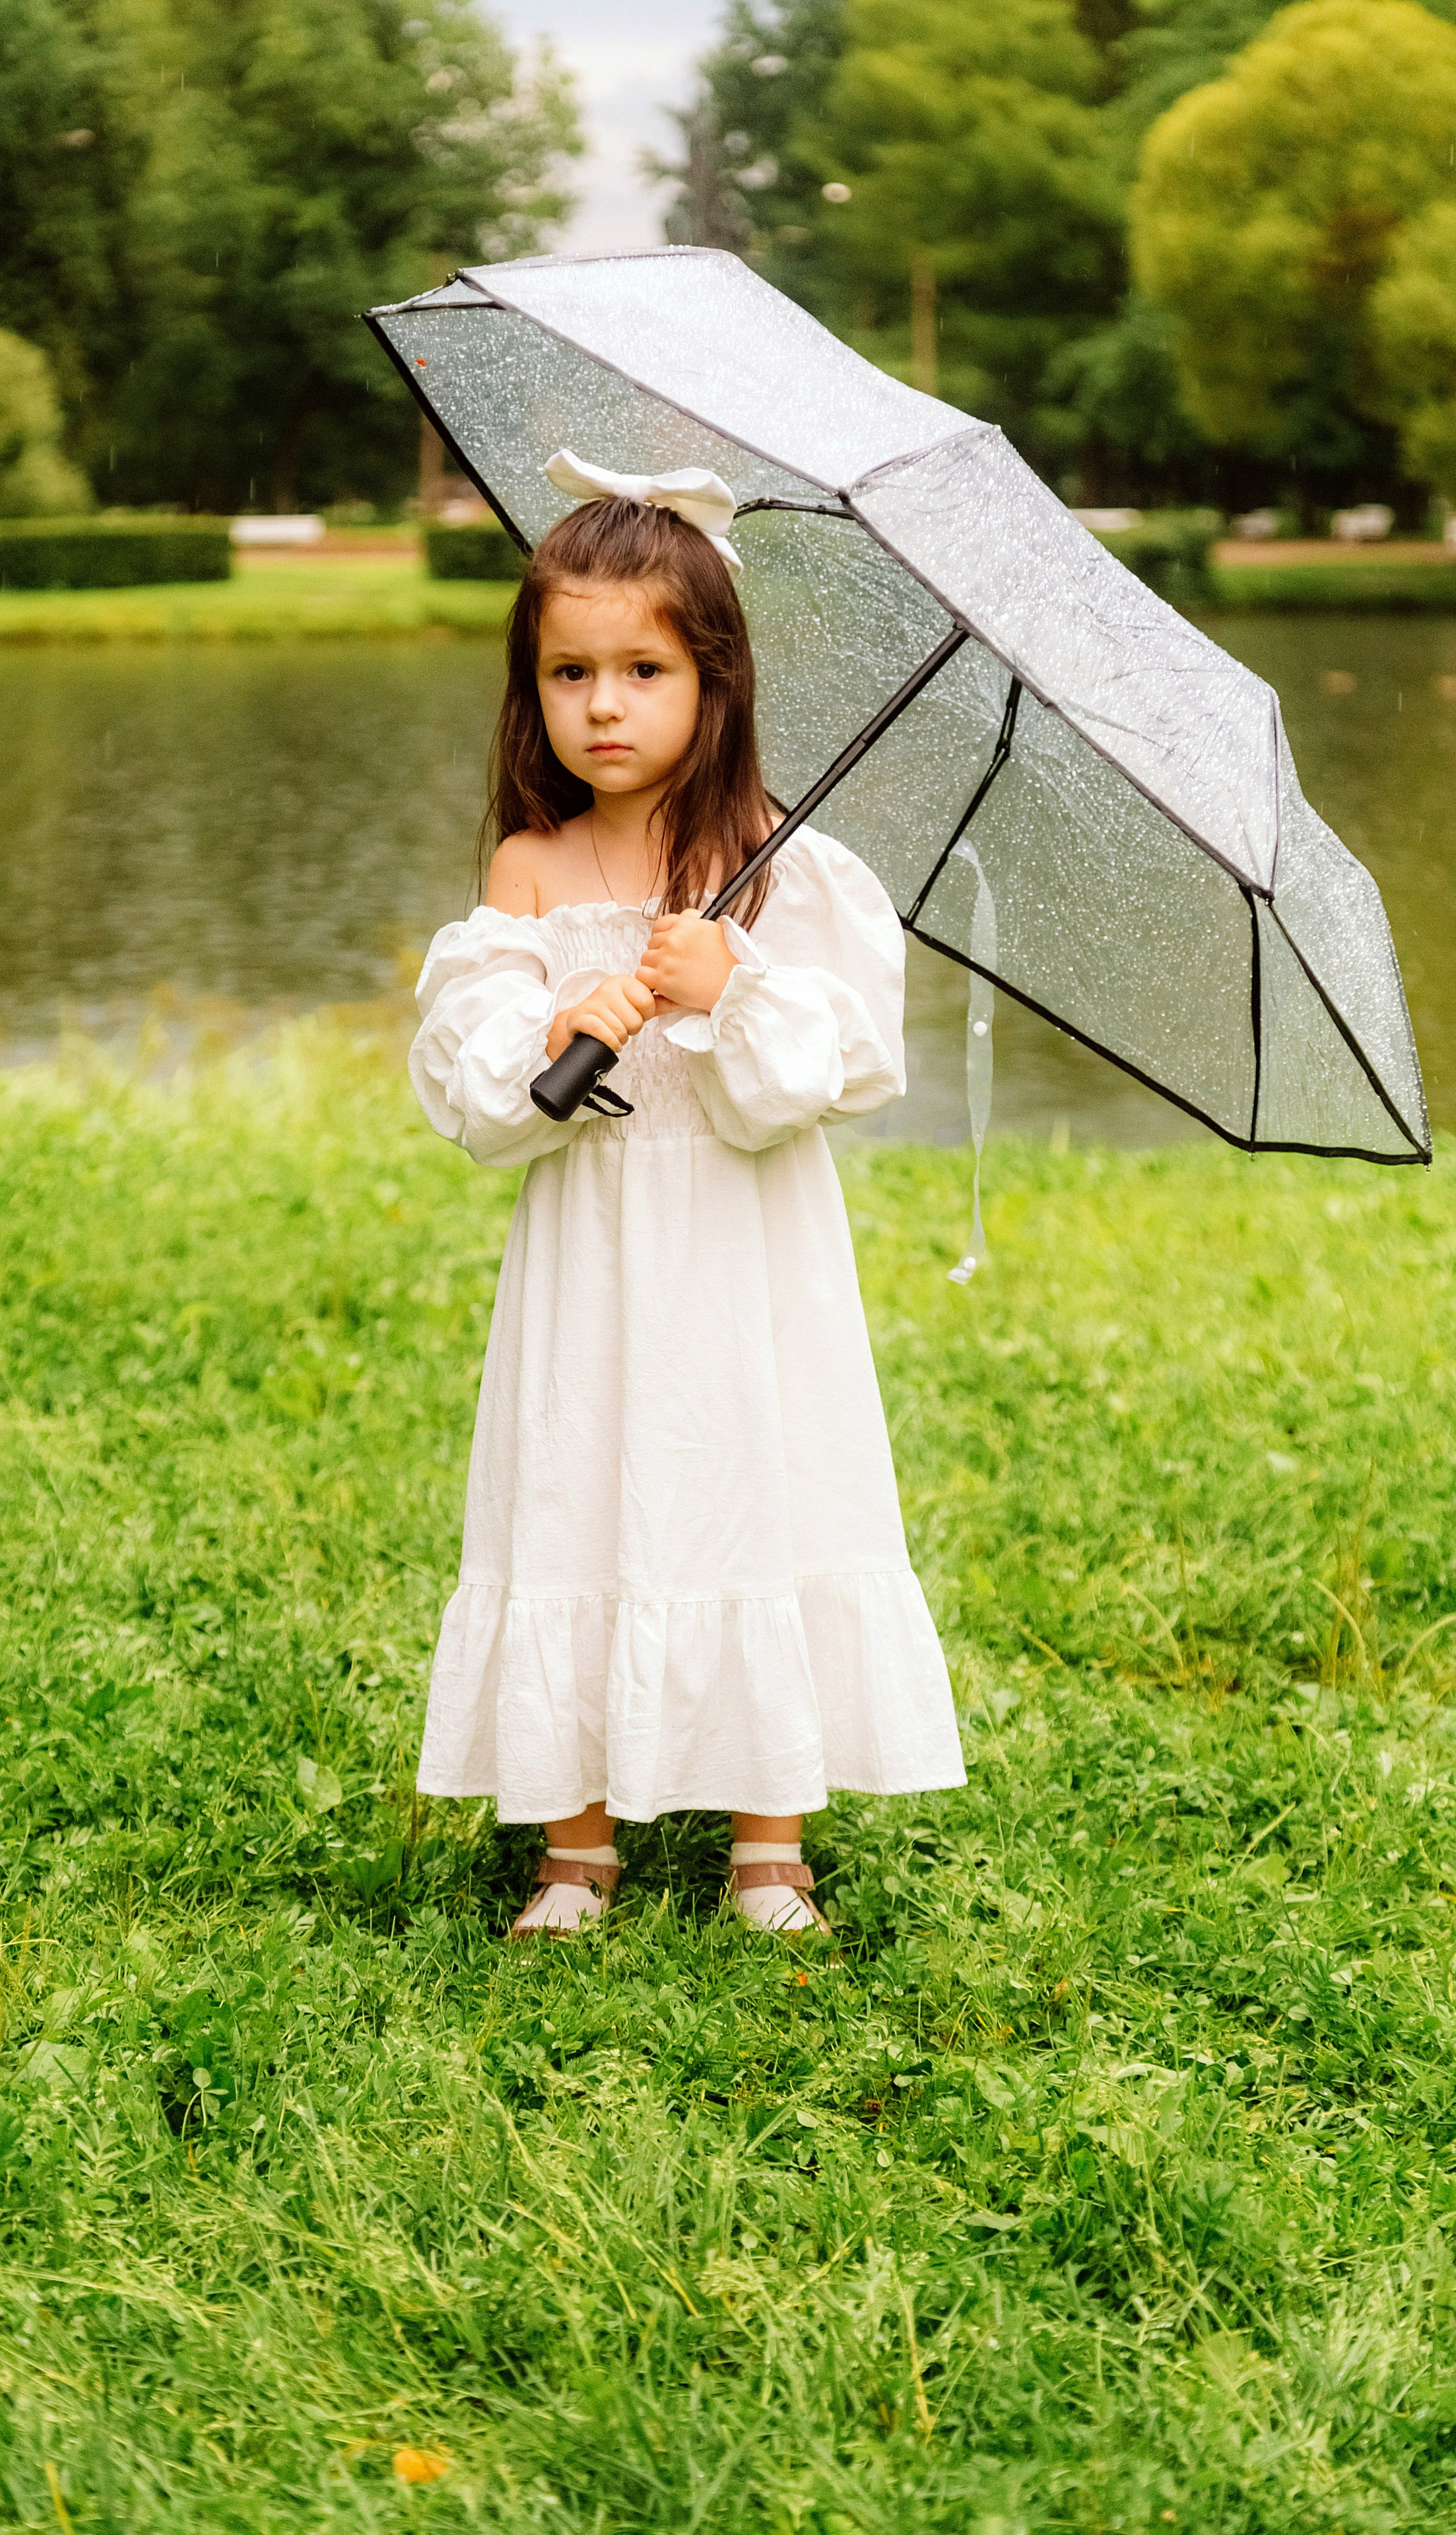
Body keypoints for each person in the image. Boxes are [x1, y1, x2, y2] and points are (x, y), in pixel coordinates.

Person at [409, 451, 964, 1938]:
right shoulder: (531, 867)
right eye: (566, 671)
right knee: (576, 1479)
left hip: (738, 1248)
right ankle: (572, 1841)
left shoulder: (781, 867)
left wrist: (728, 990)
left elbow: (832, 1073)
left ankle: (765, 1840)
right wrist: (554, 1024)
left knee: (746, 1483)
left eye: (643, 669)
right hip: (591, 1253)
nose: (600, 706)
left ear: (714, 680)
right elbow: (477, 1101)